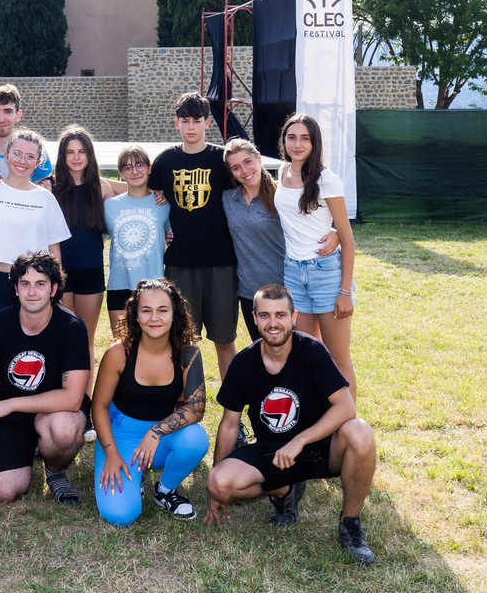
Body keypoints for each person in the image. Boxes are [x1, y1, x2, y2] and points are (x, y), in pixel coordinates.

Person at [205, 283, 376, 565]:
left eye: (281, 315)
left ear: (293, 317)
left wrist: (299, 440)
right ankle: (286, 490)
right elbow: (229, 425)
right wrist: (214, 485)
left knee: (360, 430)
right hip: (273, 452)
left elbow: (346, 407)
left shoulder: (312, 350)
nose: (273, 323)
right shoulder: (242, 362)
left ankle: (350, 524)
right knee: (219, 483)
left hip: (318, 447)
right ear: (254, 317)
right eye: (265, 315)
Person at [0, 251, 90, 504]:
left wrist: (12, 403)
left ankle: (55, 471)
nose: (32, 292)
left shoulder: (72, 328)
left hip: (54, 413)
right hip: (10, 418)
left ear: (53, 288)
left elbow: (71, 399)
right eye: (24, 284)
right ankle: (25, 451)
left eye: (40, 284)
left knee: (64, 429)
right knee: (3, 493)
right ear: (15, 289)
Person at [91, 279, 210, 525]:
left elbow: (196, 409)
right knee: (121, 515)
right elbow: (99, 407)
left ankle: (164, 490)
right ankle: (134, 476)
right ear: (135, 315)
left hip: (161, 436)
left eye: (162, 310)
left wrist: (155, 431)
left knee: (196, 439)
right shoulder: (118, 353)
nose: (154, 317)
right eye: (146, 310)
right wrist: (111, 453)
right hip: (121, 436)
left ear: (175, 313)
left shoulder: (189, 353)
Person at [148, 91, 240, 381]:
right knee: (184, 341)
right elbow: (150, 200)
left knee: (224, 340)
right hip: (180, 262)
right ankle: (183, 405)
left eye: (196, 120)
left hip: (222, 262)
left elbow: (250, 192)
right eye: (184, 120)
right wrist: (163, 228)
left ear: (207, 123)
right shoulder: (164, 161)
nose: (190, 126)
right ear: (177, 124)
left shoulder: (222, 159)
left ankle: (232, 412)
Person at [276, 113, 359, 399]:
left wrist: (345, 291)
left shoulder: (326, 179)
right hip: (293, 274)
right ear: (284, 141)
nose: (297, 144)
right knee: (307, 355)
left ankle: (347, 431)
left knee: (337, 359)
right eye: (292, 137)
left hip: (325, 273)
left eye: (305, 138)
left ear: (314, 143)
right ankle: (316, 425)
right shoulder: (282, 172)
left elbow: (348, 239)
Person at [222, 138, 338, 343]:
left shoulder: (281, 195)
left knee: (299, 351)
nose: (244, 170)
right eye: (236, 167)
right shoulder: (228, 199)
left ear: (258, 158)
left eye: (248, 162)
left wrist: (335, 233)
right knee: (263, 353)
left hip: (286, 287)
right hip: (250, 292)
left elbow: (310, 223)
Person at [0, 129, 70, 323]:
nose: (22, 161)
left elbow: (54, 249)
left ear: (38, 163)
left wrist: (55, 291)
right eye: (17, 153)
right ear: (6, 156)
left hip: (35, 286)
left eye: (30, 156)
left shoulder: (46, 199)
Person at [50, 125, 126, 364]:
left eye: (81, 151)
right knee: (61, 339)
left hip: (91, 273)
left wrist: (162, 192)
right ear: (62, 156)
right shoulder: (49, 187)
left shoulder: (102, 187)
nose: (75, 157)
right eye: (70, 152)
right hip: (58, 272)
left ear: (90, 155)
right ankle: (61, 399)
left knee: (85, 340)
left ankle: (85, 398)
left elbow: (141, 189)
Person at [104, 146, 170, 339]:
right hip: (119, 285)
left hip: (154, 286)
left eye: (140, 165)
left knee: (153, 344)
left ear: (149, 168)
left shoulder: (164, 204)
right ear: (121, 173)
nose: (135, 171)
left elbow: (171, 233)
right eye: (128, 167)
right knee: (122, 346)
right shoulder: (110, 206)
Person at [0, 84, 53, 183]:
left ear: (18, 115)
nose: (1, 119)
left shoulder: (36, 152)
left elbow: (45, 192)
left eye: (8, 111)